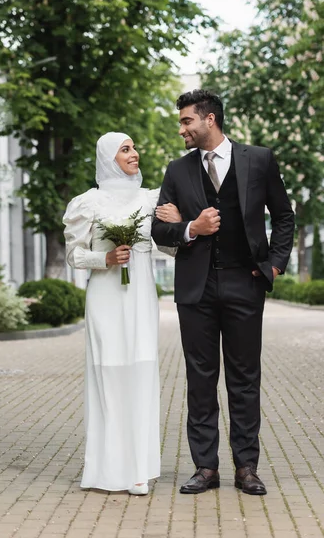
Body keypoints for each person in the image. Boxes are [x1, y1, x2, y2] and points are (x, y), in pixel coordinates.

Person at [152, 90, 295, 496]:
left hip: (245, 282)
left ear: (209, 119)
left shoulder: (259, 159)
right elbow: (158, 228)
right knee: (200, 380)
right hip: (195, 289)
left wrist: (275, 264)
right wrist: (190, 228)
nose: (181, 129)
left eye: (186, 122)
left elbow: (284, 216)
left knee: (244, 379)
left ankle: (246, 467)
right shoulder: (177, 171)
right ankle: (205, 467)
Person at [63, 131, 180, 495]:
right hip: (105, 299)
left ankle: (139, 471)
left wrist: (176, 224)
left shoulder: (152, 200)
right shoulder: (87, 203)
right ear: (107, 157)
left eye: (134, 147)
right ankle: (107, 470)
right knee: (108, 378)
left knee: (141, 376)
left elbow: (172, 251)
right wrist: (107, 258)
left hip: (140, 299)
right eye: (125, 149)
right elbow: (74, 256)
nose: (135, 153)